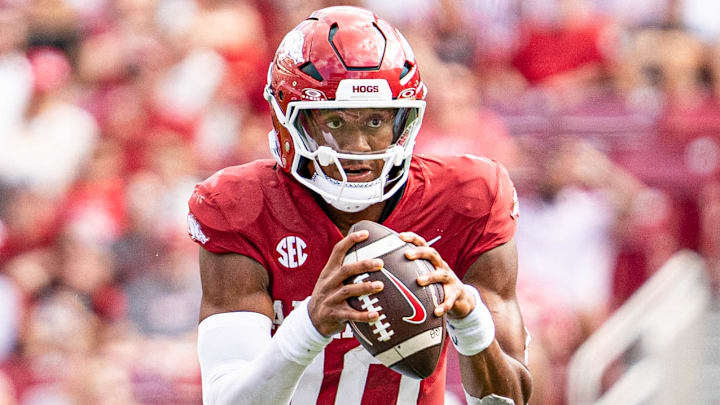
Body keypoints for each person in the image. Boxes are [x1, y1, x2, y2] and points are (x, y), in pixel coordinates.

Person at [187, 6, 532, 405]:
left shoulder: (469, 198)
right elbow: (226, 400)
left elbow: (510, 400)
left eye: (375, 122)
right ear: (287, 121)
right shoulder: (241, 207)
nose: (358, 148)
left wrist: (470, 320)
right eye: (334, 122)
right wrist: (311, 325)